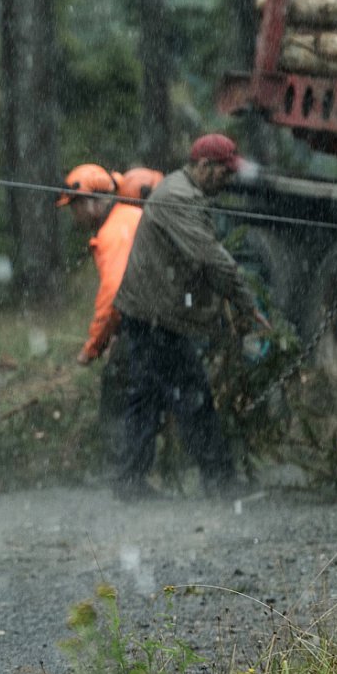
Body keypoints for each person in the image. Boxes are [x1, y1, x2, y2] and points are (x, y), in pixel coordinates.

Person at [111, 133, 269, 500]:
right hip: (156, 319)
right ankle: (220, 482)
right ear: (202, 166)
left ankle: (129, 482)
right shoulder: (179, 198)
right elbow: (210, 258)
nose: (227, 180)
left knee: (146, 399)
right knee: (193, 397)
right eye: (223, 172)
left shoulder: (180, 190)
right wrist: (247, 303)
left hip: (148, 314)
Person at [56, 162, 162, 367]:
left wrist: (93, 347)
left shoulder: (115, 231)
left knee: (125, 391)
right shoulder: (124, 218)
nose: (74, 215)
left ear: (87, 202)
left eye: (74, 206)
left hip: (153, 327)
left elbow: (113, 294)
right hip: (158, 320)